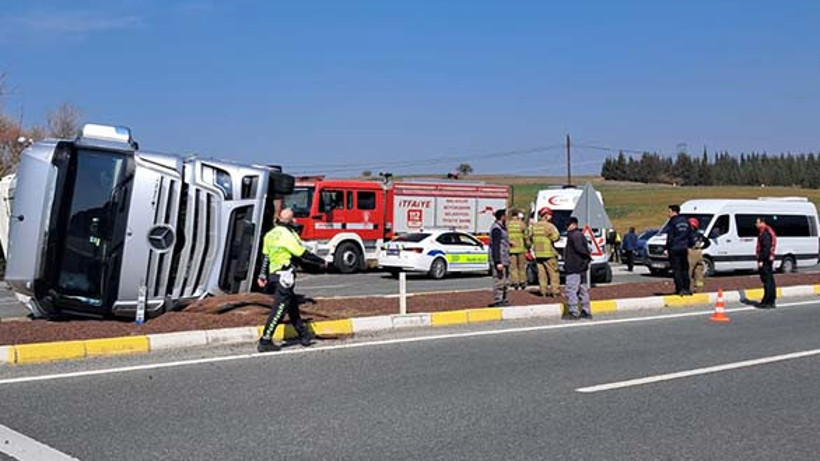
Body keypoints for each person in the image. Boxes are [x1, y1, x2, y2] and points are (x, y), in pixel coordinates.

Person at [257, 208, 328, 353]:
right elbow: (301, 253)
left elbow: (265, 257)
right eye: (294, 218)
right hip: (285, 275)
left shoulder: (270, 234)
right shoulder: (286, 235)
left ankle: (303, 335)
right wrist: (321, 261)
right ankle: (265, 340)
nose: (296, 221)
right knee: (280, 308)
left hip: (274, 275)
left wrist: (262, 275)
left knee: (292, 305)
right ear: (289, 220)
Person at [563, 217, 592, 320]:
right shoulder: (580, 235)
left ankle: (574, 312)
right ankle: (586, 311)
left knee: (571, 289)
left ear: (574, 224)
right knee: (583, 289)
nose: (566, 227)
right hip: (581, 267)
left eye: (568, 225)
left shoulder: (573, 236)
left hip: (574, 267)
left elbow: (580, 250)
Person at [664, 205, 695, 296]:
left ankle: (680, 289)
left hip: (674, 248)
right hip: (684, 248)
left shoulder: (672, 222)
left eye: (669, 211)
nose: (668, 214)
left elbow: (670, 236)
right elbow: (690, 235)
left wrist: (666, 248)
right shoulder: (686, 221)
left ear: (674, 212)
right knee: (685, 269)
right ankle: (687, 289)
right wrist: (690, 245)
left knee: (677, 270)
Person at [531, 207, 561, 297]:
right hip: (549, 253)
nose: (551, 217)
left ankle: (543, 291)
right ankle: (555, 292)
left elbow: (529, 238)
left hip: (538, 254)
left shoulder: (534, 226)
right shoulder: (549, 226)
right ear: (546, 215)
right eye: (550, 215)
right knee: (553, 273)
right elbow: (555, 237)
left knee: (542, 274)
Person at [488, 208, 511, 307]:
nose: (507, 218)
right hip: (500, 258)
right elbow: (496, 246)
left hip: (505, 257)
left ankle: (504, 299)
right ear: (502, 217)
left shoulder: (502, 228)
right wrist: (498, 262)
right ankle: (498, 299)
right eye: (506, 216)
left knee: (505, 281)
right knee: (499, 280)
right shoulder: (496, 229)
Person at [756, 216, 778, 308]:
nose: (756, 224)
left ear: (762, 223)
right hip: (769, 259)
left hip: (766, 260)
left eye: (757, 222)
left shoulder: (765, 233)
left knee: (767, 281)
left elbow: (766, 248)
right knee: (770, 280)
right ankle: (771, 300)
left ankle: (767, 301)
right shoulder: (768, 231)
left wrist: (761, 259)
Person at [506, 209, 530, 290]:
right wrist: (528, 246)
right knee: (521, 266)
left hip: (511, 249)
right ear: (517, 215)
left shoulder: (507, 224)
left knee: (513, 267)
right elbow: (526, 236)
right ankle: (522, 281)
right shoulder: (522, 224)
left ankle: (515, 282)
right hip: (521, 248)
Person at [687, 218, 712, 293]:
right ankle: (699, 290)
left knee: (689, 271)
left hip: (691, 252)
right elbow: (708, 242)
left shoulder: (688, 234)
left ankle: (687, 289)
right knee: (699, 272)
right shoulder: (699, 234)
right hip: (699, 252)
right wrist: (701, 248)